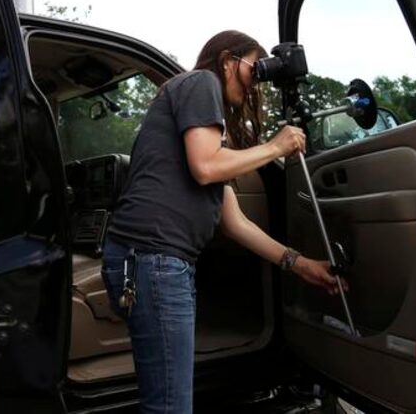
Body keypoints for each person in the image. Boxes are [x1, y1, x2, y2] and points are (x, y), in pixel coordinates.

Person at [101, 30, 346, 414]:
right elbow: (205, 167)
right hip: (154, 259)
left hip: (153, 261)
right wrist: (275, 147)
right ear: (228, 60)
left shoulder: (213, 134)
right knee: (169, 407)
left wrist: (299, 264)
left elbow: (234, 223)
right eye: (254, 70)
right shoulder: (201, 82)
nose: (254, 85)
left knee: (166, 400)